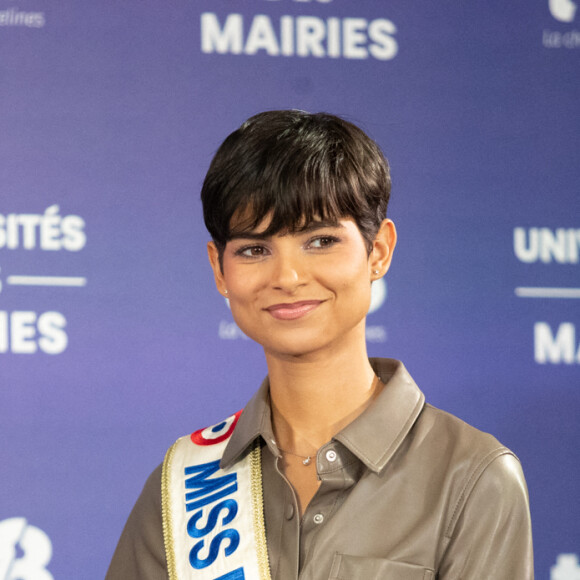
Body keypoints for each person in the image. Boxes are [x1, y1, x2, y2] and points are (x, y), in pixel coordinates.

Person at [106, 110, 533, 579]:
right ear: (218, 268)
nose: (287, 277)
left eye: (321, 240)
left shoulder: (470, 476)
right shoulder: (183, 483)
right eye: (254, 249)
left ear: (379, 251)